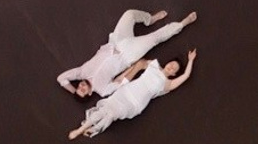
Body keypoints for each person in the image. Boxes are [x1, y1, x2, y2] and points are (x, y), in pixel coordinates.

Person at [57, 7, 197, 98]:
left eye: (79, 87)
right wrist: (135, 67)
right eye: (82, 90)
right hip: (127, 55)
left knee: (129, 14)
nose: (81, 86)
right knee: (155, 38)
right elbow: (122, 82)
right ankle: (182, 24)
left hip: (115, 41)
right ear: (88, 93)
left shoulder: (81, 72)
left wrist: (73, 91)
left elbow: (61, 78)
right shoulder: (102, 90)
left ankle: (149, 19)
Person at [69, 49, 197, 138]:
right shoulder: (153, 65)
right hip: (125, 91)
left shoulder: (167, 84)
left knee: (112, 114)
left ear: (174, 74)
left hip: (135, 103)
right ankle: (79, 130)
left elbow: (185, 76)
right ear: (167, 63)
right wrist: (123, 77)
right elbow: (138, 63)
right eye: (171, 64)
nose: (172, 67)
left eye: (174, 69)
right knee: (104, 110)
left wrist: (190, 60)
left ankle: (93, 129)